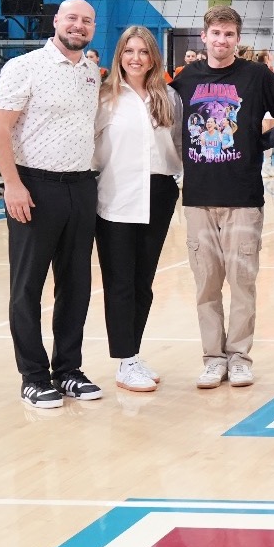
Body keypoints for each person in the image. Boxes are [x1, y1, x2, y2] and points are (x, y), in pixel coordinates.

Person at [0, 0, 101, 409]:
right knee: (27, 287)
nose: (78, 25)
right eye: (72, 18)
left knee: (76, 287)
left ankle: (68, 370)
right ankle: (33, 377)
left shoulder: (91, 71)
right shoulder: (24, 66)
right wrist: (12, 184)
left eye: (87, 21)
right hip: (34, 187)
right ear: (56, 21)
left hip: (81, 186)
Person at [171, 6, 274, 389]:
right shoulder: (186, 78)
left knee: (242, 283)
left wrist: (264, 141)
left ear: (237, 39)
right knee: (206, 285)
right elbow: (171, 123)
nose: (221, 40)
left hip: (243, 198)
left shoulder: (256, 75)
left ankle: (239, 358)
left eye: (228, 34)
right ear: (204, 36)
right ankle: (213, 359)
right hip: (198, 199)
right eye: (216, 33)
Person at [94, 26, 181, 393]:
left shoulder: (169, 97)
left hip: (158, 193)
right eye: (129, 51)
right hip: (116, 196)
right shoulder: (104, 97)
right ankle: (124, 360)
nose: (136, 58)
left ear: (152, 58)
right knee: (120, 283)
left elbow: (178, 145)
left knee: (143, 283)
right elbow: (90, 147)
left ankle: (133, 354)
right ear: (120, 55)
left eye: (143, 51)